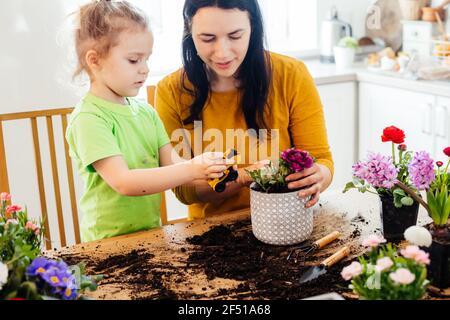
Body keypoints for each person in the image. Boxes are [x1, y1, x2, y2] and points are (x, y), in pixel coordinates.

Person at [66, 0, 232, 242]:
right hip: (106, 243)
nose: (145, 69)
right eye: (134, 60)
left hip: (150, 235)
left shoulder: (146, 112)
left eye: (146, 59)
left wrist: (207, 167)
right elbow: (124, 182)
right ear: (94, 60)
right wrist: (192, 168)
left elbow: (172, 163)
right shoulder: (89, 118)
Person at [156, 0, 334, 220]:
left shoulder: (291, 75)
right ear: (189, 32)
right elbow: (185, 190)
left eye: (235, 36)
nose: (222, 53)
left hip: (286, 219)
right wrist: (243, 177)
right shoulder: (171, 90)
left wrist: (318, 177)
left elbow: (322, 160)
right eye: (207, 38)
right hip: (212, 231)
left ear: (253, 28)